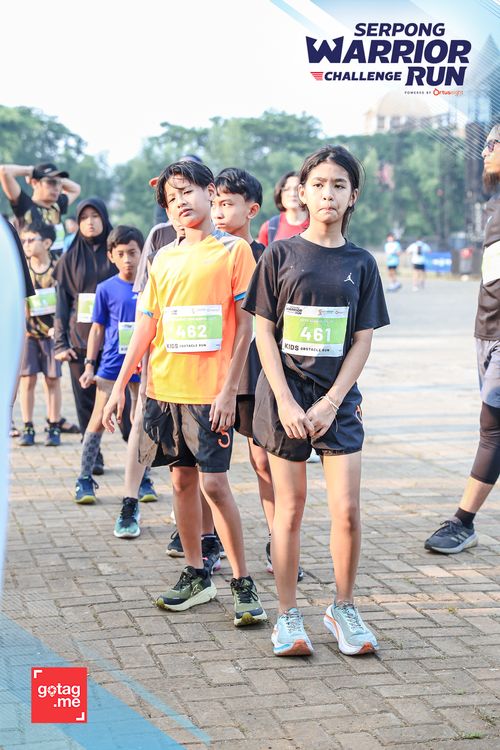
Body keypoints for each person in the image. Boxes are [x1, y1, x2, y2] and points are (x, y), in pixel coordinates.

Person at [103, 159, 267, 626]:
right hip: (164, 391)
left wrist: (229, 391)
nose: (180, 202)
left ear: (209, 193)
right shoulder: (162, 258)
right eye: (171, 197)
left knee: (214, 484)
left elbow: (246, 328)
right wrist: (120, 388)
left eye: (187, 192)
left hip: (210, 394)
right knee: (180, 482)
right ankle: (196, 574)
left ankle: (242, 581)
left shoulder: (234, 251)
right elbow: (146, 327)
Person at [243, 145, 390, 656]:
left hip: (337, 402)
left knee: (347, 510)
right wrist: (285, 402)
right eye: (319, 184)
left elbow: (363, 340)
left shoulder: (361, 263)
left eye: (339, 185)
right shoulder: (279, 255)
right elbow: (263, 332)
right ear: (302, 193)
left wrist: (331, 402)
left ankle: (342, 608)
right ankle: (287, 616)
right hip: (284, 397)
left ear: (353, 197)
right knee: (289, 510)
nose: (329, 193)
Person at [212, 166, 304, 580]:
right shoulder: (203, 254)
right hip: (210, 373)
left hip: (256, 371)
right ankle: (206, 542)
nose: (218, 212)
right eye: (214, 203)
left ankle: (278, 540)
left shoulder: (269, 256)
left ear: (251, 210)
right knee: (210, 467)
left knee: (264, 461)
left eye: (227, 204)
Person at [424, 124, 500, 554]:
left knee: (493, 425)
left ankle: (462, 521)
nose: (485, 151)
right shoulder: (493, 203)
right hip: (485, 329)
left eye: (493, 144)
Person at [54, 197, 130, 474]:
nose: (90, 222)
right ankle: (93, 455)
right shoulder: (69, 259)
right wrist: (60, 343)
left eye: (95, 216)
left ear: (104, 218)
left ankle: (136, 450)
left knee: (126, 400)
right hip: (80, 341)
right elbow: (62, 305)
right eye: (84, 217)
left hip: (117, 342)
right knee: (86, 402)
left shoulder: (118, 254)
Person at [75, 226, 147, 514]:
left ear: (143, 253)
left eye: (133, 252)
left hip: (142, 367)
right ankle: (84, 478)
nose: (127, 259)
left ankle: (143, 481)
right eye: (121, 254)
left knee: (140, 422)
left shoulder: (151, 286)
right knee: (98, 419)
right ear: (111, 256)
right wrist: (89, 365)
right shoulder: (105, 288)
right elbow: (97, 329)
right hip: (111, 366)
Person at [18, 223, 62, 447]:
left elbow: (65, 300)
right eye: (23, 240)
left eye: (30, 240)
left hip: (53, 334)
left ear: (46, 243)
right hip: (28, 334)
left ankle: (54, 426)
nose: (26, 245)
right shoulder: (21, 268)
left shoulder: (57, 268)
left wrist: (60, 328)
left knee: (52, 380)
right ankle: (27, 426)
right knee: (27, 380)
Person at [0, 162, 81, 254]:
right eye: (51, 182)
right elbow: (4, 171)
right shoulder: (25, 205)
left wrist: (58, 179)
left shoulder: (56, 206)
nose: (57, 188)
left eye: (59, 184)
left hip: (58, 263)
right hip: (30, 262)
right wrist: (30, 171)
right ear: (35, 183)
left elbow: (76, 189)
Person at [257, 171, 309, 246]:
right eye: (287, 189)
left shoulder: (319, 225)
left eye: (297, 189)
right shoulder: (270, 228)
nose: (292, 194)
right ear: (280, 194)